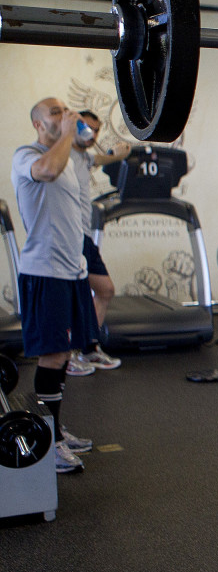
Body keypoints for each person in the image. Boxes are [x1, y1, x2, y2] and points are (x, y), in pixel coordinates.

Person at [11, 99, 102, 473]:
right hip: (45, 273)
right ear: (37, 123)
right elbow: (46, 171)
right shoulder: (27, 155)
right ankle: (49, 444)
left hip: (71, 271)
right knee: (51, 355)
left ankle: (54, 429)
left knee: (64, 354)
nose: (64, 115)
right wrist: (67, 134)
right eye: (54, 112)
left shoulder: (67, 158)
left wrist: (78, 136)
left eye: (65, 109)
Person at [66, 109, 127, 376]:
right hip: (67, 238)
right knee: (72, 298)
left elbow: (98, 158)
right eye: (85, 128)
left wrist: (117, 155)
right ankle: (67, 354)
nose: (91, 134)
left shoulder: (85, 156)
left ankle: (89, 348)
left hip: (84, 237)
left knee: (105, 290)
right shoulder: (63, 155)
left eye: (95, 130)